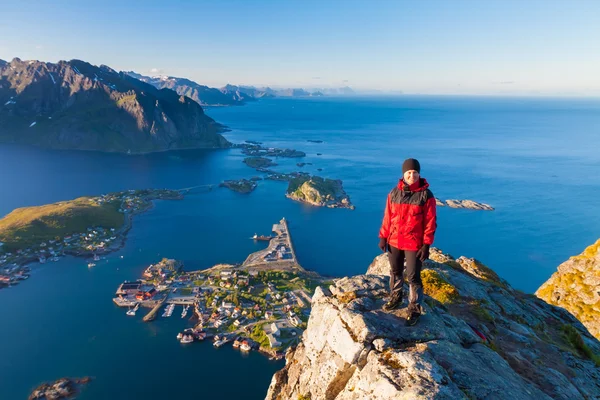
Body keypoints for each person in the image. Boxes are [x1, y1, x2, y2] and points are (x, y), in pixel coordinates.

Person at [378, 158, 437, 326]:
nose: (412, 175)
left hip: (414, 244)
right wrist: (383, 236)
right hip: (395, 240)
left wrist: (426, 245)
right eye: (409, 173)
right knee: (395, 271)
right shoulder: (394, 193)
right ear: (403, 174)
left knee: (413, 277)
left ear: (419, 174)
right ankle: (396, 298)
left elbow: (430, 222)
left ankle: (414, 309)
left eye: (415, 173)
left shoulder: (426, 196)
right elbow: (388, 217)